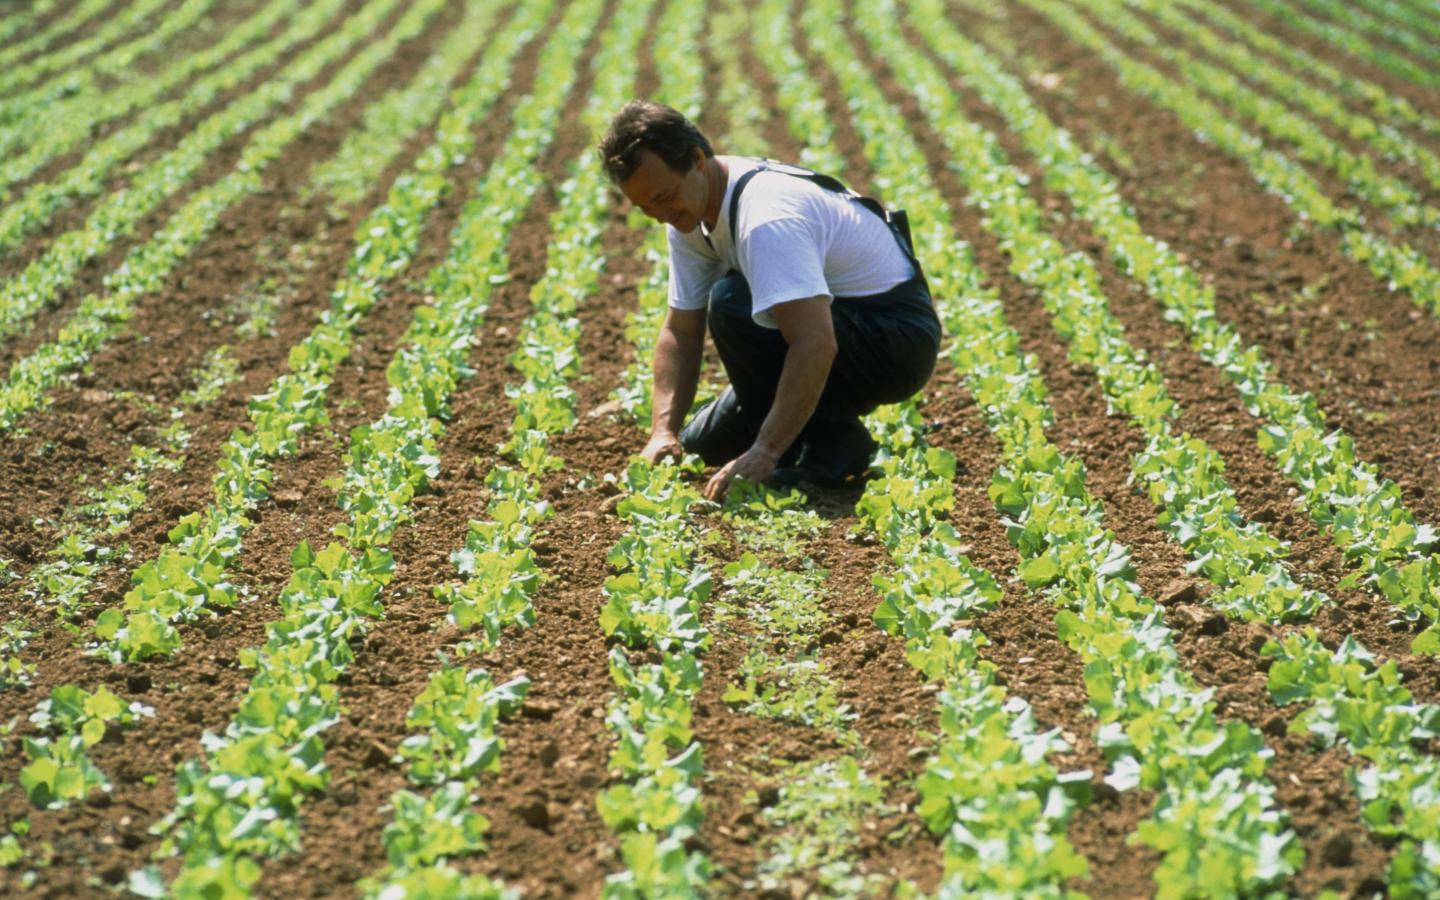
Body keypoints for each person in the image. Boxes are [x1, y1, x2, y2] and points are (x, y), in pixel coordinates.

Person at [599, 100, 941, 501]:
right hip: (836, 328)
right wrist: (663, 431)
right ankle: (801, 435)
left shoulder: (766, 218)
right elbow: (680, 330)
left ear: (696, 160)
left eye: (664, 197)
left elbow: (815, 341)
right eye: (645, 207)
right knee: (696, 447)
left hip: (894, 340)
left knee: (731, 301)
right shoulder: (687, 211)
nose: (659, 215)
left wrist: (766, 451)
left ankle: (835, 446)